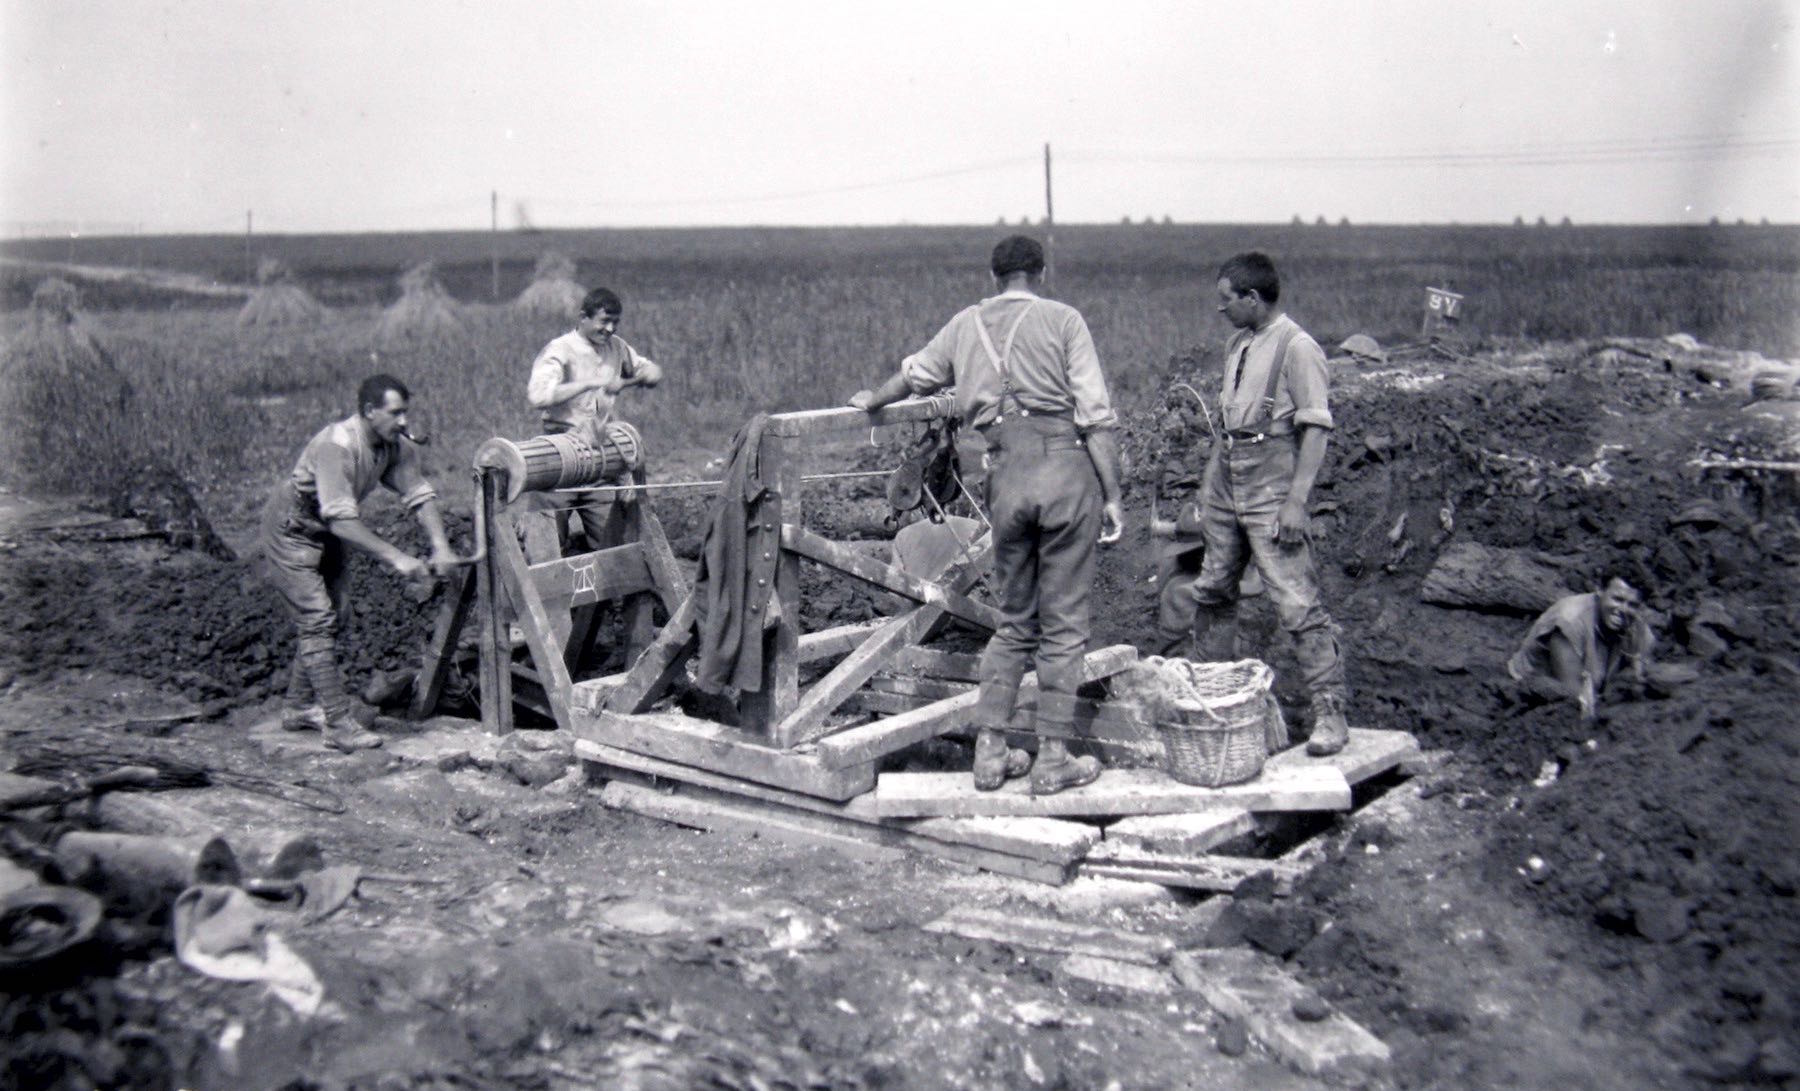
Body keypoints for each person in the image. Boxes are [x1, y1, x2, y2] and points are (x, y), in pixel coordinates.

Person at [849, 235, 1124, 795]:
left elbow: (914, 375)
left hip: (1004, 476)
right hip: (1063, 470)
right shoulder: (1064, 320)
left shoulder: (964, 325)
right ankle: (1052, 758)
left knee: (1015, 622)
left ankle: (991, 752)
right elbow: (1095, 418)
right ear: (1039, 272)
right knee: (1064, 623)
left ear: (993, 275)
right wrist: (1113, 495)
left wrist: (873, 399)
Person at [1169, 251, 1350, 757]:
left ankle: (1331, 714)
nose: (1219, 310)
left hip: (1274, 478)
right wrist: (1210, 490)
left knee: (1295, 600)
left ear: (1253, 298)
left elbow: (1314, 430)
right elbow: (1227, 429)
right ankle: (1212, 702)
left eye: (1226, 301)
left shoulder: (1299, 348)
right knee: (1212, 590)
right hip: (1230, 473)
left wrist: (1297, 502)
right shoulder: (1237, 344)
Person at [261, 375, 457, 751]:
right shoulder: (338, 447)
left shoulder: (393, 445)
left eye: (405, 412)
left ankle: (298, 707)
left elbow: (419, 495)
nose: (403, 421)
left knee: (337, 612)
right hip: (292, 527)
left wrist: (441, 546)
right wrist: (397, 558)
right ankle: (337, 723)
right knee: (316, 617)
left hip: (326, 527)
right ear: (369, 411)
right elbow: (342, 522)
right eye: (395, 413)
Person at [526, 287, 663, 551]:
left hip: (598, 458)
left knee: (613, 546)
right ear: (583, 318)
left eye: (615, 322)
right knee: (545, 545)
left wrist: (647, 374)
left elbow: (648, 369)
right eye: (604, 321)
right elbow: (538, 395)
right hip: (559, 457)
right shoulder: (560, 349)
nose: (610, 328)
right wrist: (588, 383)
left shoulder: (617, 347)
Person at [1508, 577, 1653, 722]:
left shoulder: (1637, 627)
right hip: (1535, 698)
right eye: (1617, 599)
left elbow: (1642, 679)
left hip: (1597, 691)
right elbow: (1573, 700)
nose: (1623, 610)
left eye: (1633, 604)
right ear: (1600, 591)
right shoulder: (1570, 620)